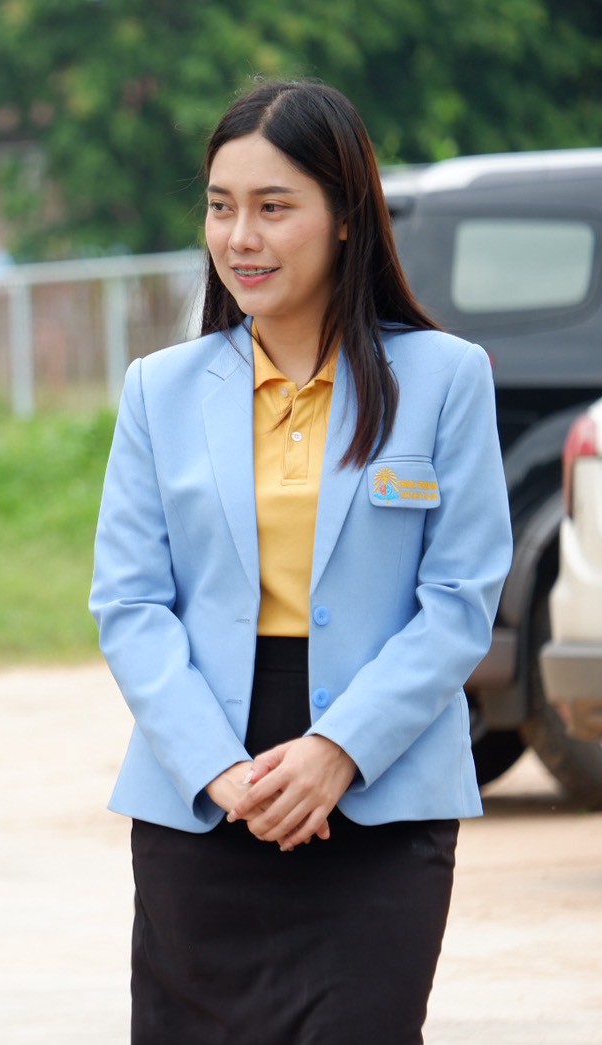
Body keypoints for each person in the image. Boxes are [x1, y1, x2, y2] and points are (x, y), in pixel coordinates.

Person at [89, 79, 512, 1043]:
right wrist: (217, 769)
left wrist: (338, 750)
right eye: (220, 206)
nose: (240, 237)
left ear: (346, 216)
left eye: (273, 207)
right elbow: (130, 603)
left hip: (380, 787)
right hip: (206, 794)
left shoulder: (444, 378)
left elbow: (457, 601)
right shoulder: (159, 390)